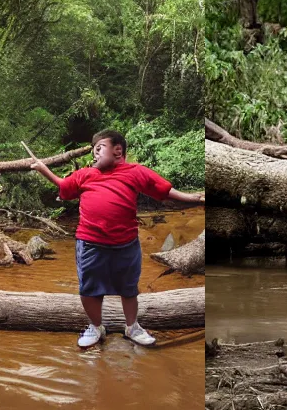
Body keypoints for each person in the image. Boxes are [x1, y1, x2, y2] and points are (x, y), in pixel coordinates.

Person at [29, 130, 205, 348]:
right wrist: (44, 170)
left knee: (128, 288)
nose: (94, 154)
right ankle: (96, 327)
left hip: (126, 243)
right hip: (90, 242)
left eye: (99, 148)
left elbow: (163, 190)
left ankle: (132, 327)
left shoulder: (135, 172)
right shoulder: (85, 174)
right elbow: (65, 187)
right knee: (89, 289)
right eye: (93, 150)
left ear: (118, 150)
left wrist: (194, 198)